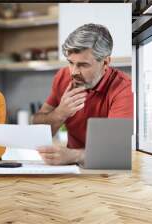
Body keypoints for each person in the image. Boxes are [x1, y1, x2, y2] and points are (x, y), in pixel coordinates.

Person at [32, 23, 133, 166]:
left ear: (105, 62)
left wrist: (74, 155)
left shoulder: (124, 89)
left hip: (108, 173)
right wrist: (60, 113)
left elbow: (118, 151)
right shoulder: (63, 76)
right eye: (71, 63)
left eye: (83, 65)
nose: (74, 72)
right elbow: (37, 129)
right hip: (71, 170)